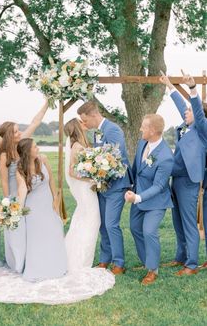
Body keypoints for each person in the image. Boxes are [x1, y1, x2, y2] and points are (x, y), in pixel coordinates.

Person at [77, 101, 133, 275]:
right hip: (102, 185)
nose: (84, 123)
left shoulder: (113, 129)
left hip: (116, 185)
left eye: (85, 119)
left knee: (111, 224)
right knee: (103, 224)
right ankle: (104, 259)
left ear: (94, 115)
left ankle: (119, 263)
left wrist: (101, 170)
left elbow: (117, 158)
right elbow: (98, 155)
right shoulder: (98, 132)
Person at [160, 71, 206, 276]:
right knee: (177, 221)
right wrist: (169, 85)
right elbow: (181, 106)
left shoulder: (201, 129)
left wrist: (193, 88)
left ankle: (192, 264)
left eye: (189, 110)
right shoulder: (185, 126)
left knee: (188, 222)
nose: (185, 111)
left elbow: (195, 108)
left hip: (189, 181)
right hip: (175, 179)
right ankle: (180, 257)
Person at [0, 100, 49, 273]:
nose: (19, 133)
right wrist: (7, 204)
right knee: (16, 230)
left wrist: (47, 102)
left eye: (19, 130)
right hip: (14, 195)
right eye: (16, 131)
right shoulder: (5, 155)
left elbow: (35, 121)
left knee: (29, 229)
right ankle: (16, 263)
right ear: (8, 136)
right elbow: (4, 180)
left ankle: (29, 260)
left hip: (29, 193)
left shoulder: (22, 145)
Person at [125, 114, 174, 285]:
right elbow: (136, 169)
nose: (140, 129)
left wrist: (138, 197)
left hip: (156, 201)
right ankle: (147, 261)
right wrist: (129, 187)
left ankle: (153, 270)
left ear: (152, 130)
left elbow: (159, 186)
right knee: (135, 228)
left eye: (143, 127)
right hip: (138, 195)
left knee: (149, 231)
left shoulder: (166, 156)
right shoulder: (142, 144)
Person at [16, 138, 67, 281]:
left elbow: (51, 180)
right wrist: (17, 208)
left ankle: (57, 266)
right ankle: (39, 268)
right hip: (33, 208)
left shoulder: (43, 159)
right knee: (37, 237)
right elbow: (22, 189)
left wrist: (56, 200)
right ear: (27, 152)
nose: (37, 148)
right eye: (34, 146)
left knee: (54, 230)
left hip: (48, 202)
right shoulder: (20, 169)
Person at [64, 118, 101, 272]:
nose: (84, 122)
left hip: (87, 187)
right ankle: (81, 261)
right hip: (85, 188)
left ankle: (76, 256)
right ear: (77, 127)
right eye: (81, 121)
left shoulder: (82, 144)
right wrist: (91, 178)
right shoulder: (77, 146)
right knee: (92, 220)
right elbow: (72, 172)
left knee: (83, 220)